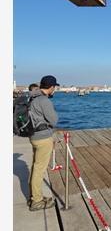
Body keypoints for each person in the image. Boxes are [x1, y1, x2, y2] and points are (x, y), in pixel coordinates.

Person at [27, 75, 59, 211]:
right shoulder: (44, 101)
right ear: (51, 87)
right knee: (39, 170)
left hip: (33, 136)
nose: (55, 90)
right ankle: (37, 201)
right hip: (43, 138)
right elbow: (54, 120)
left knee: (36, 167)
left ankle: (35, 196)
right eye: (54, 87)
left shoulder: (32, 97)